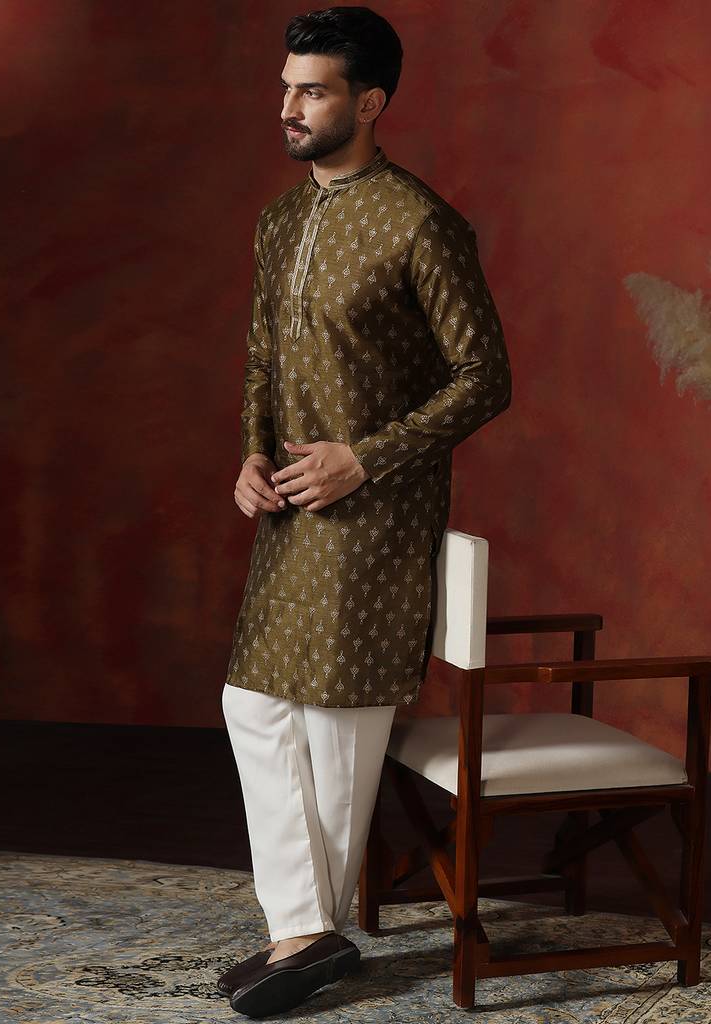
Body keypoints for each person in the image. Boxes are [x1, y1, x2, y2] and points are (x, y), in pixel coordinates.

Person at [219, 6, 512, 1017]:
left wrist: (365, 458)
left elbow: (484, 377)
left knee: (336, 724)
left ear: (371, 101)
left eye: (313, 90)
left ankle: (303, 937)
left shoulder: (419, 223)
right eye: (286, 87)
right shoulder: (280, 220)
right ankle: (305, 931)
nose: (289, 106)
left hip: (377, 513)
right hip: (292, 510)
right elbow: (262, 354)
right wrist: (253, 453)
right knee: (257, 705)